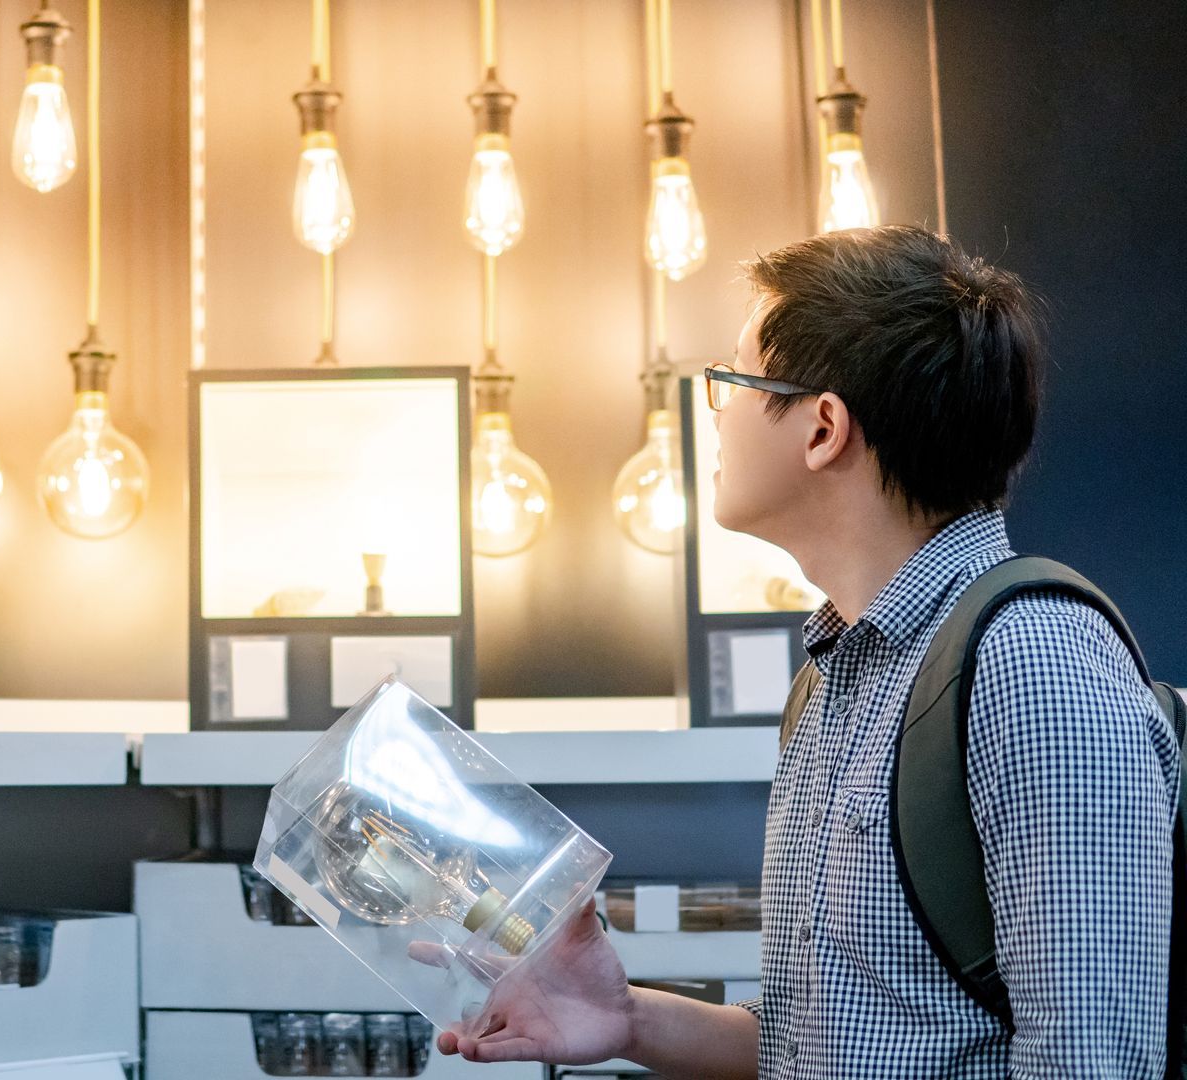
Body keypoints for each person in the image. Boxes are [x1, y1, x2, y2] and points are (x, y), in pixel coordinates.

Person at [436, 225, 1178, 1077]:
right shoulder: (834, 680)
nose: (714, 413)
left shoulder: (1033, 663)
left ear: (823, 427)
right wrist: (627, 1019)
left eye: (733, 381)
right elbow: (817, 1043)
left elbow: (1090, 1063)